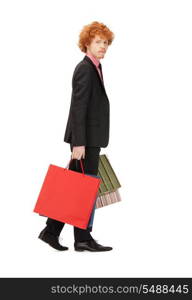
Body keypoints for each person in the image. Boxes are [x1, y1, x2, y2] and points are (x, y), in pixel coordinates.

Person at [38, 21, 115, 252]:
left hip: (91, 139)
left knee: (76, 188)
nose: (103, 46)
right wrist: (78, 142)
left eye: (105, 42)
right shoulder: (85, 68)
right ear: (87, 44)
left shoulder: (95, 67)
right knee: (82, 189)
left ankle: (52, 232)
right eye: (98, 42)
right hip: (85, 141)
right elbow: (78, 108)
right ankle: (81, 238)